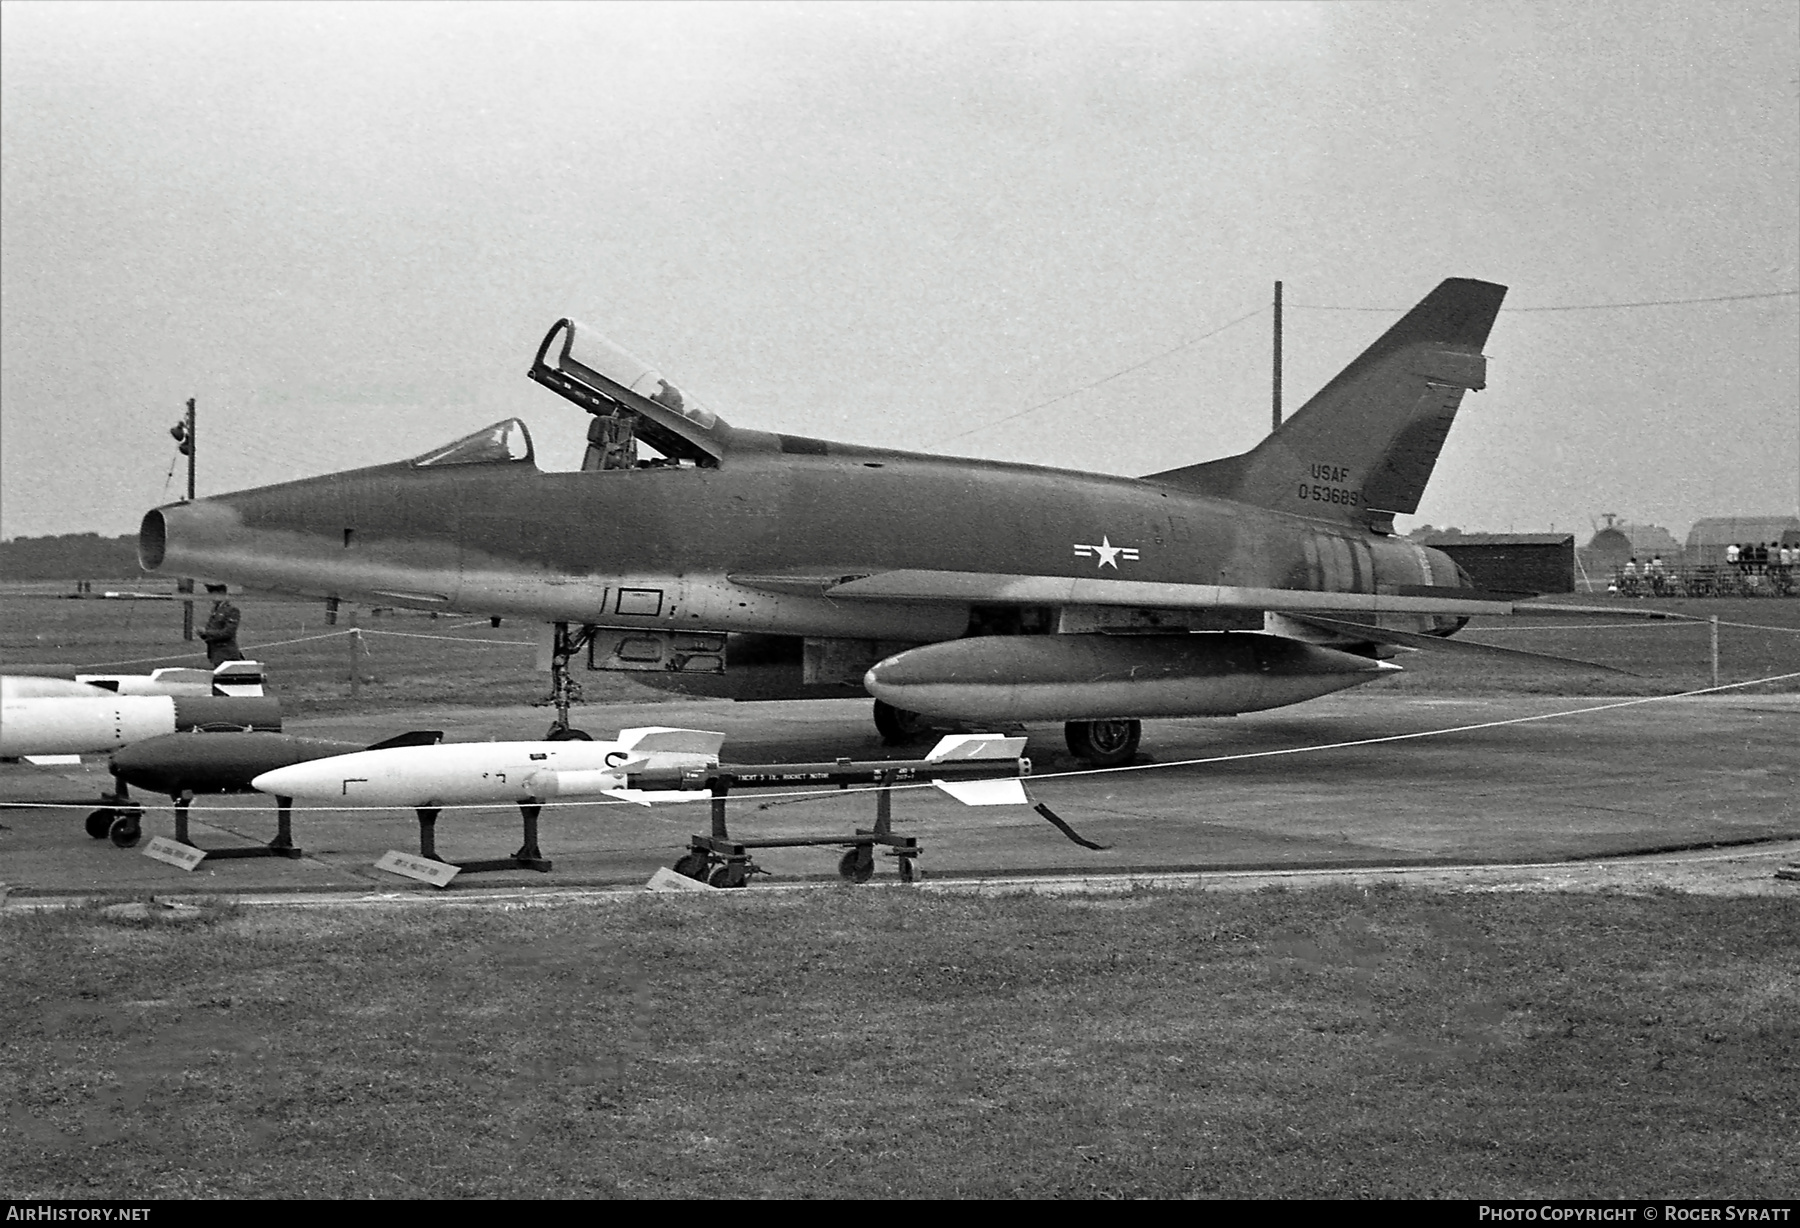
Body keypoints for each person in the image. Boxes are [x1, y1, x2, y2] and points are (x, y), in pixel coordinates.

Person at [199, 585, 243, 665]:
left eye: (214, 594)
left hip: (227, 654)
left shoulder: (231, 610)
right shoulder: (215, 610)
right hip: (215, 654)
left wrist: (207, 633)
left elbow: (228, 632)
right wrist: (203, 634)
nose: (211, 597)